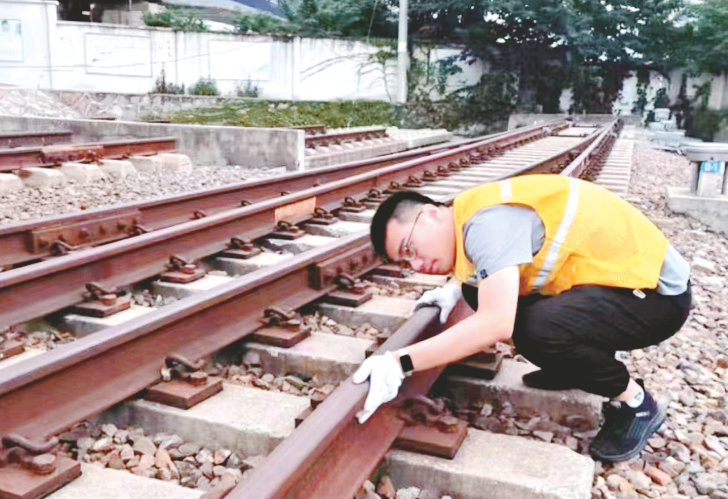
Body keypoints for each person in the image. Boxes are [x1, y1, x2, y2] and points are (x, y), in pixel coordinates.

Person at [352, 174, 691, 463]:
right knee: (475, 291)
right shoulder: (469, 213)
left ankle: (637, 404)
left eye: (409, 249)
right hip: (617, 284)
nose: (415, 265)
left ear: (430, 215)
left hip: (656, 295)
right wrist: (453, 289)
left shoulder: (485, 224)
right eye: (405, 263)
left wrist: (400, 362)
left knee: (535, 330)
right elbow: (488, 264)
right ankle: (573, 367)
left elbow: (496, 323)